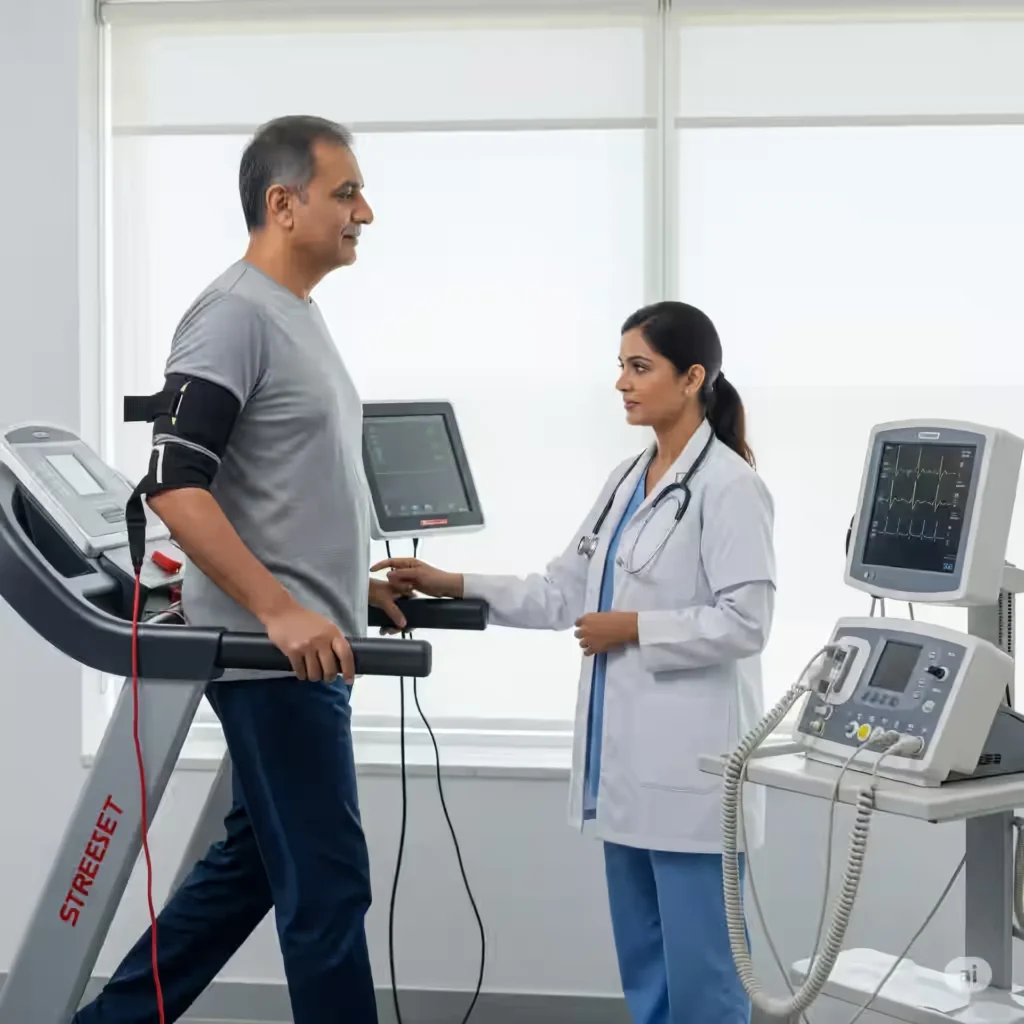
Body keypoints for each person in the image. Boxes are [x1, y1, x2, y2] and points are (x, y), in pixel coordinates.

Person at [74, 116, 408, 1024]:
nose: (365, 212)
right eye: (347, 193)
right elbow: (176, 487)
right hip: (275, 656)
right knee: (329, 886)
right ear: (283, 203)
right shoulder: (233, 315)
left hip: (305, 646)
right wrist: (281, 608)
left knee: (254, 866)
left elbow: (281, 486)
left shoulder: (294, 314)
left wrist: (351, 584)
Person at [374, 301, 775, 1024]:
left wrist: (634, 628)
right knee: (646, 969)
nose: (622, 382)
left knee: (705, 978)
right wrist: (450, 582)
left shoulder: (730, 487)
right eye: (620, 366)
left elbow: (748, 621)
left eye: (639, 367)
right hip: (624, 775)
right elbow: (561, 593)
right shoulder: (628, 479)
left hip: (691, 780)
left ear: (692, 379)